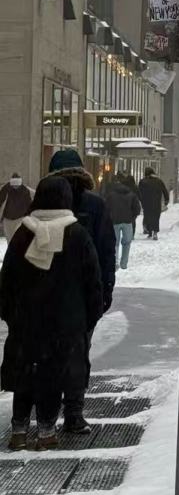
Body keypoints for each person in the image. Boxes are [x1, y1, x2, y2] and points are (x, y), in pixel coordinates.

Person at [0, 175, 103, 450]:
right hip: (65, 325)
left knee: (25, 377)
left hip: (25, 322)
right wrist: (88, 318)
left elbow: (6, 278)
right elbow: (93, 281)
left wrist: (10, 314)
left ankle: (19, 430)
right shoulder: (78, 235)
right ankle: (46, 432)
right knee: (52, 378)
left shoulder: (23, 234)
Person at [47, 148, 116, 433]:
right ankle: (74, 412)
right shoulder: (95, 205)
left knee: (46, 352)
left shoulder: (43, 205)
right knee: (78, 352)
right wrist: (104, 292)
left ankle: (46, 415)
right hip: (83, 294)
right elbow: (105, 251)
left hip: (46, 295)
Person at [104, 171, 141, 270]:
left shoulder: (111, 195)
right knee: (127, 242)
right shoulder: (131, 195)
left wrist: (109, 217)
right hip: (127, 222)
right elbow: (137, 209)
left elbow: (106, 207)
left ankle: (115, 262)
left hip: (114, 221)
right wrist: (131, 217)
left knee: (114, 242)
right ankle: (124, 263)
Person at [138, 167, 169, 240]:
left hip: (146, 203)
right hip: (156, 203)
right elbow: (164, 190)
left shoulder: (143, 181)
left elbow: (139, 192)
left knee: (148, 217)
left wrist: (140, 200)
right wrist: (166, 200)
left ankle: (149, 232)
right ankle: (155, 232)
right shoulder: (159, 181)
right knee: (156, 218)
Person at [0, 173, 32, 243]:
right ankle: (11, 252)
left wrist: (28, 217)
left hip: (20, 218)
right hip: (7, 218)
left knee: (18, 239)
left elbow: (29, 204)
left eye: (17, 185)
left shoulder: (25, 190)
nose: (15, 187)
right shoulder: (6, 188)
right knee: (9, 239)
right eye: (14, 185)